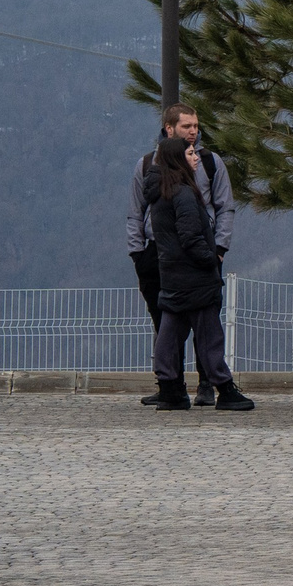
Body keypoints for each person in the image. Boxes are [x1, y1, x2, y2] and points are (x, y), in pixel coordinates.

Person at [127, 103, 235, 407]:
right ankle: (170, 385)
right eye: (187, 126)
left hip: (198, 253)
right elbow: (136, 212)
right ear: (169, 128)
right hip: (155, 254)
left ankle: (206, 384)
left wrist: (219, 249)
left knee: (204, 319)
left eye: (196, 126)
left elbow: (225, 207)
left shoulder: (210, 163)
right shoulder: (146, 165)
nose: (193, 132)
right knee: (165, 322)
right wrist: (137, 253)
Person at [146, 136, 253, 411]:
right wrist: (210, 259)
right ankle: (225, 389)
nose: (196, 158)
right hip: (194, 277)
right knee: (209, 334)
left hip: (172, 276)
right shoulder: (182, 193)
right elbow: (191, 236)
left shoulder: (160, 193)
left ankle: (169, 388)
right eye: (191, 153)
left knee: (169, 333)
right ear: (179, 159)